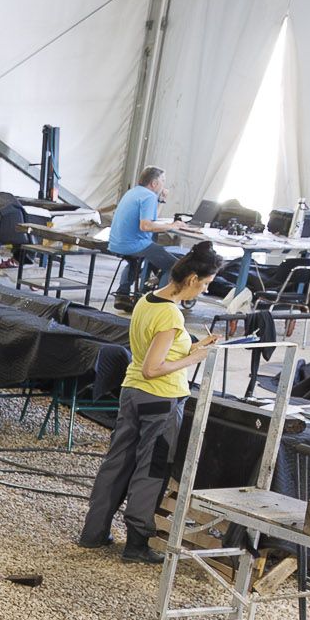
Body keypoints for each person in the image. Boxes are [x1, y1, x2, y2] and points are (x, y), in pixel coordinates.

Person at [82, 241, 231, 562]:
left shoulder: (147, 301)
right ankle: (136, 545)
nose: (203, 290)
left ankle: (93, 533)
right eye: (205, 284)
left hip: (132, 393)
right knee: (152, 468)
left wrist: (191, 346)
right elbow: (154, 368)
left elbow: (151, 353)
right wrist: (196, 358)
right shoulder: (171, 315)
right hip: (161, 400)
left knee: (117, 461)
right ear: (192, 279)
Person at [107, 166, 189, 303]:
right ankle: (159, 301)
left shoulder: (133, 192)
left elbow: (151, 219)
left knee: (137, 260)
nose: (164, 184)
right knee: (175, 267)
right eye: (163, 180)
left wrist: (161, 200)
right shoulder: (149, 196)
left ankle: (122, 295)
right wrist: (172, 226)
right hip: (135, 244)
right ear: (154, 183)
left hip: (117, 243)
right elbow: (145, 226)